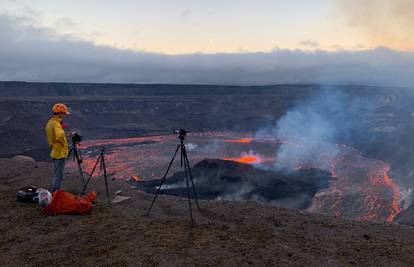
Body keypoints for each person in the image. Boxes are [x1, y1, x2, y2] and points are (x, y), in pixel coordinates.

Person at [45, 103, 70, 192]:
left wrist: (65, 134)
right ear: (59, 113)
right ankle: (55, 194)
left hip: (54, 151)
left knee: (56, 174)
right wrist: (64, 138)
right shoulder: (56, 124)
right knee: (58, 176)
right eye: (63, 114)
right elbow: (59, 135)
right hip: (59, 153)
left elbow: (56, 136)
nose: (64, 116)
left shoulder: (50, 122)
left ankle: (53, 192)